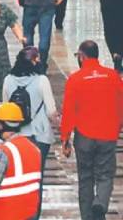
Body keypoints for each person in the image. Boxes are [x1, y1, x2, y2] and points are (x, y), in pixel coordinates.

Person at [60, 40, 123, 220]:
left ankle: (88, 216)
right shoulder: (112, 76)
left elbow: (69, 111)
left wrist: (65, 139)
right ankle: (100, 203)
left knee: (85, 178)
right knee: (105, 175)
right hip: (107, 135)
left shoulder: (75, 79)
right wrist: (118, 126)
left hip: (84, 137)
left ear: (81, 56)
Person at [2, 47, 58, 219]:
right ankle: (33, 215)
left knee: (18, 177)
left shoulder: (8, 80)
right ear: (34, 62)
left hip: (16, 136)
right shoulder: (42, 80)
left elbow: (5, 109)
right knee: (36, 180)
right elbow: (51, 111)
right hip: (40, 136)